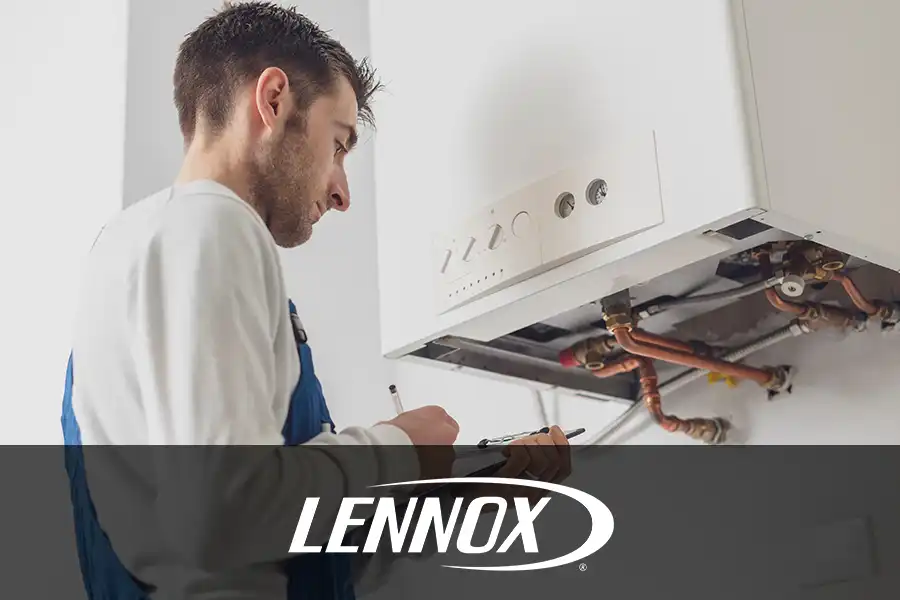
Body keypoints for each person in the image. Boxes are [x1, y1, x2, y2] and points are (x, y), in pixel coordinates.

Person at [61, 2, 572, 599]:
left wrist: (451, 493)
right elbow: (223, 515)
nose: (341, 191)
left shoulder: (139, 251)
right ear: (274, 100)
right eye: (338, 144)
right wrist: (398, 450)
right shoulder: (211, 226)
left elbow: (267, 549)